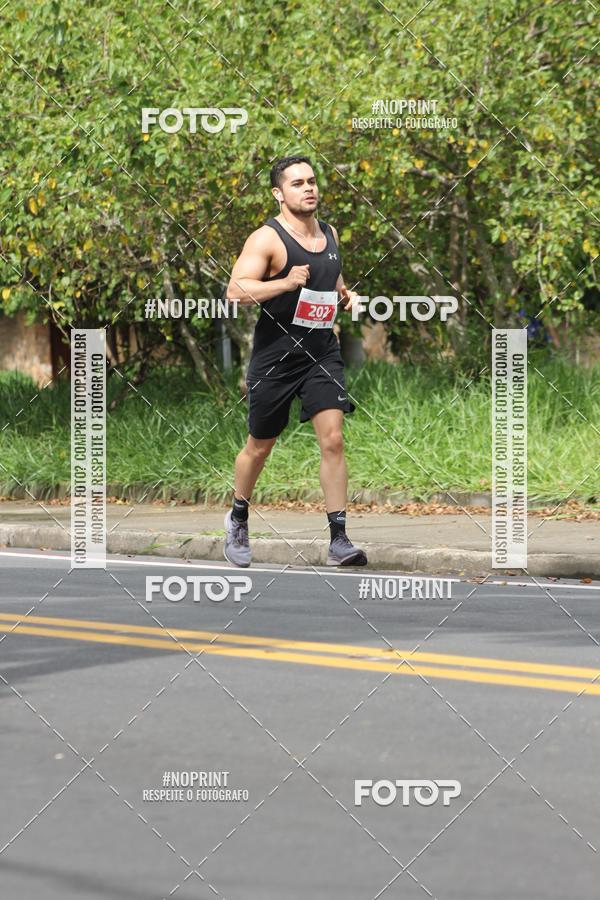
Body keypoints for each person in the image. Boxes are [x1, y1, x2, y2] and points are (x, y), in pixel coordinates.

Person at [224, 155, 367, 569]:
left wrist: (347, 296)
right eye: (298, 183)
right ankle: (238, 517)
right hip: (276, 358)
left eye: (312, 181)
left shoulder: (330, 233)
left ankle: (339, 539)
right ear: (278, 193)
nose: (309, 188)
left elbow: (334, 282)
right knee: (260, 446)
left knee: (334, 439)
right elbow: (236, 290)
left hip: (321, 352)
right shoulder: (267, 239)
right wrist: (285, 282)